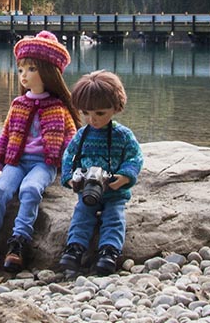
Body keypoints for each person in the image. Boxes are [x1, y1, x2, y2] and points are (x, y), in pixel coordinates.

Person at [0, 30, 79, 273]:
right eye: (21, 69)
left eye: (31, 69)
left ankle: (19, 243)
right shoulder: (18, 104)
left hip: (43, 163)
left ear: (49, 72)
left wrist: (71, 167)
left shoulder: (58, 107)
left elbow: (70, 140)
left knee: (31, 189)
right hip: (16, 161)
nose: (24, 75)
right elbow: (6, 134)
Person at [58, 70, 143, 275]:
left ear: (115, 108)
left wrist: (124, 176)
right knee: (81, 215)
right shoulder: (82, 134)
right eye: (86, 113)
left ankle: (109, 251)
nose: (92, 119)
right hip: (87, 191)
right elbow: (68, 157)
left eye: (99, 113)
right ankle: (75, 248)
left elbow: (135, 157)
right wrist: (71, 178)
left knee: (114, 217)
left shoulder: (122, 135)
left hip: (114, 193)